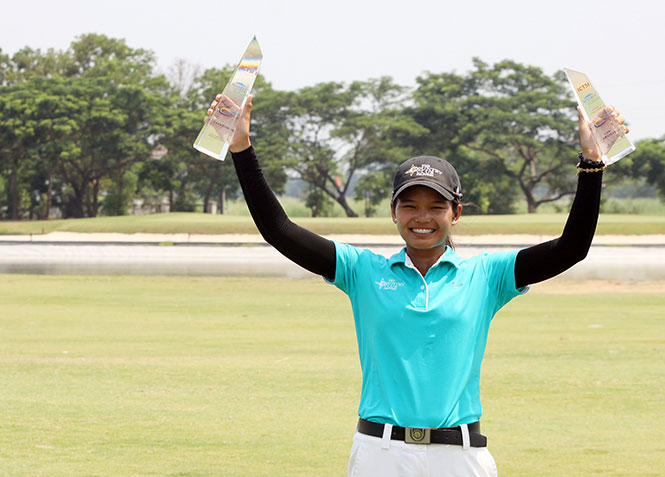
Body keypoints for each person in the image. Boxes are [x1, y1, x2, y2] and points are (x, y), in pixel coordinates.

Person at [207, 95, 627, 476]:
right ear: (393, 211)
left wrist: (591, 163)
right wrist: (242, 148)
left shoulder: (487, 275)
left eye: (436, 206)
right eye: (409, 205)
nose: (421, 217)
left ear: (456, 212)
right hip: (379, 454)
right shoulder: (361, 270)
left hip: (460, 456)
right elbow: (279, 230)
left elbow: (572, 248)